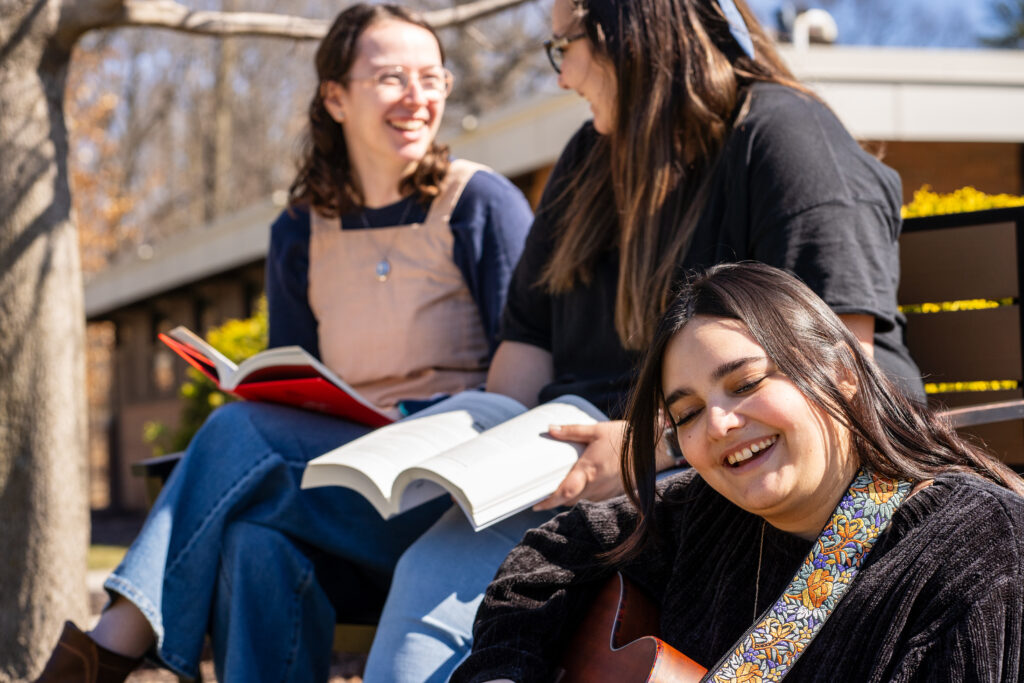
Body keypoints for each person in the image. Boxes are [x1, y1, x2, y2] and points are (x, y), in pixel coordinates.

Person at [363, 0, 925, 680]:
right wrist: (488, 466)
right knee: (400, 559)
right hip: (567, 466)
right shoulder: (588, 160)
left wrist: (641, 448)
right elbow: (528, 335)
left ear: (630, 35)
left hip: (712, 459)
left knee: (440, 585)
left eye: (563, 47)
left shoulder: (785, 139)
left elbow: (843, 370)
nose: (563, 76)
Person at [34, 5, 532, 682]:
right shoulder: (299, 230)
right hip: (345, 489)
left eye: (431, 77)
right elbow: (291, 388)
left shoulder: (482, 204)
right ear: (335, 97)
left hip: (450, 499)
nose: (419, 97)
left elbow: (529, 371)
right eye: (392, 78)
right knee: (252, 542)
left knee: (241, 432)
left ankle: (112, 642)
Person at [452, 262, 1024, 682]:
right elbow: (545, 564)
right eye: (688, 413)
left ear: (844, 373)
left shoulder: (985, 551)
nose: (720, 424)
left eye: (747, 383)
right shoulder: (701, 514)